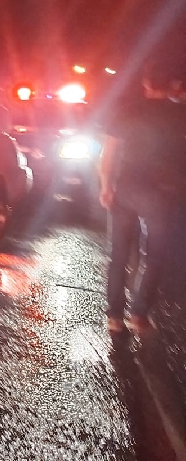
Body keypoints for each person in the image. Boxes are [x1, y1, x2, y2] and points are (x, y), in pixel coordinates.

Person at [99, 75, 186, 333]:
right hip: (163, 193)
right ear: (175, 84)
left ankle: (114, 317)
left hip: (125, 189)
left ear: (146, 83)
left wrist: (106, 186)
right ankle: (139, 314)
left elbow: (108, 153)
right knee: (155, 256)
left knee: (119, 254)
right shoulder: (180, 113)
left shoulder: (128, 110)